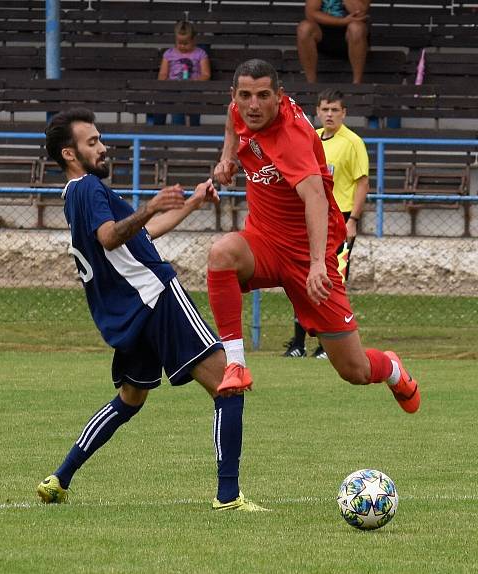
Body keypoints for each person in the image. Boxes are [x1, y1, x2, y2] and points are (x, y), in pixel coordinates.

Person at [37, 108, 266, 511]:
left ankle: (60, 477)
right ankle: (228, 496)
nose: (103, 147)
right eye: (92, 142)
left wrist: (192, 202)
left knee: (130, 398)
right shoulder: (90, 188)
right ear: (69, 154)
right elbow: (111, 237)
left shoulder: (75, 198)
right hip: (156, 297)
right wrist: (151, 205)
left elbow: (140, 235)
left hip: (130, 314)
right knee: (229, 386)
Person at [207, 59, 419, 416]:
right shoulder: (239, 109)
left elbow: (316, 198)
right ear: (235, 95)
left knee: (354, 370)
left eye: (262, 96)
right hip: (264, 242)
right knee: (221, 253)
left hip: (309, 257)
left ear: (279, 96)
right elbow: (233, 122)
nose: (252, 105)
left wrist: (319, 263)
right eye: (245, 95)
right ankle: (236, 364)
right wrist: (227, 159)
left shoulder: (292, 138)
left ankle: (393, 369)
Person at [283, 88, 369, 359]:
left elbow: (362, 182)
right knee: (300, 279)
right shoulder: (312, 138)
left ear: (344, 113)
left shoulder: (353, 142)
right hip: (310, 218)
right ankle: (298, 344)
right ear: (317, 112)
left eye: (335, 110)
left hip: (339, 219)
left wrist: (353, 219)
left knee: (331, 280)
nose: (329, 114)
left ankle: (325, 346)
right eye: (325, 109)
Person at [152, 20, 210, 127]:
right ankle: (158, 128)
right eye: (179, 43)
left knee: (193, 99)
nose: (182, 46)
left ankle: (193, 127)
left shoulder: (200, 54)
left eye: (186, 43)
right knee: (162, 99)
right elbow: (163, 74)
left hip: (192, 87)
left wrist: (195, 81)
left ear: (193, 40)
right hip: (172, 87)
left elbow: (206, 74)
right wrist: (166, 84)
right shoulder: (169, 54)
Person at [296, 0, 370, 84]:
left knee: (357, 28)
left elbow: (359, 12)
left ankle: (357, 84)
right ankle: (311, 84)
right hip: (321, 32)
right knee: (304, 28)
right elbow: (311, 14)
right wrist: (342, 21)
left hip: (352, 35)